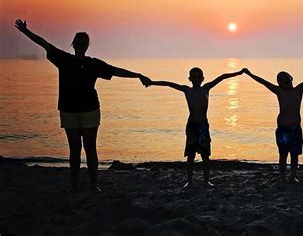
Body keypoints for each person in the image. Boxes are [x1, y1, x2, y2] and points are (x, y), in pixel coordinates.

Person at [14, 19, 151, 192]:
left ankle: (94, 185)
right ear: (73, 44)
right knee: (74, 149)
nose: (81, 45)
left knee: (90, 147)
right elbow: (44, 44)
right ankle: (74, 185)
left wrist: (138, 75)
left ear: (87, 45)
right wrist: (26, 32)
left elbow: (115, 71)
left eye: (84, 43)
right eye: (78, 42)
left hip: (90, 110)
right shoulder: (63, 59)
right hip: (68, 109)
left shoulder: (93, 64)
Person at [144, 67, 245, 188]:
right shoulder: (187, 90)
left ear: (202, 78)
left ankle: (206, 181)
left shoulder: (206, 88)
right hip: (192, 126)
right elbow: (168, 84)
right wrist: (152, 82)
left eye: (199, 77)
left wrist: (239, 73)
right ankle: (189, 182)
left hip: (203, 126)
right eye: (194, 77)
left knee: (205, 156)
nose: (196, 79)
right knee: (190, 155)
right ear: (190, 79)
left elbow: (222, 77)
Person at [243, 65, 303, 183]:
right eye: (280, 80)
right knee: (283, 155)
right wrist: (250, 74)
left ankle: (293, 177)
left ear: (291, 78)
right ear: (279, 84)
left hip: (295, 129)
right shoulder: (279, 91)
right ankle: (282, 178)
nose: (283, 80)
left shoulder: (299, 90)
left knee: (294, 154)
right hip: (283, 130)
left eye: (285, 77)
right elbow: (264, 82)